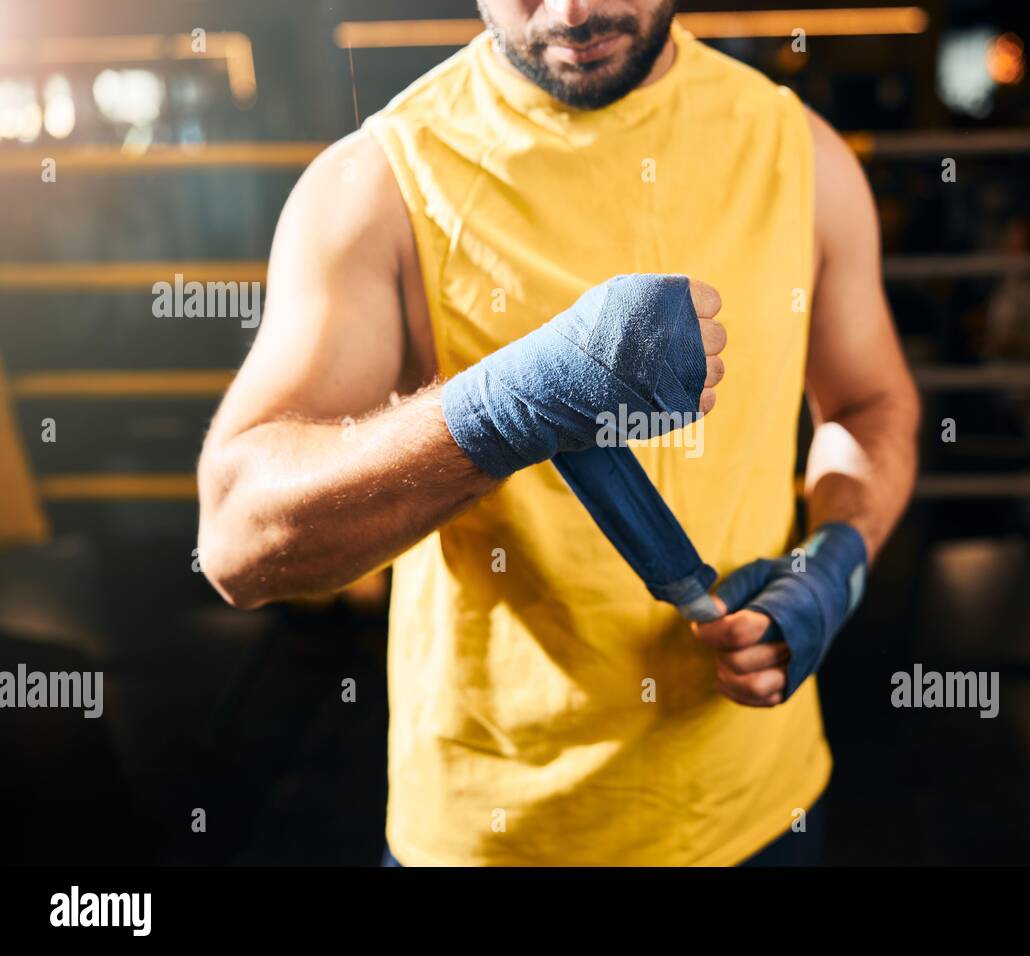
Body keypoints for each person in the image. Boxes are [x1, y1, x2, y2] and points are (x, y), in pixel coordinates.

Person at [197, 0, 918, 866]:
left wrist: (833, 566)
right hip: (495, 836)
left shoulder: (800, 154)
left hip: (760, 807)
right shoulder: (382, 182)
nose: (573, 10)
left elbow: (869, 407)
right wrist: (511, 407)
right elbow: (238, 541)